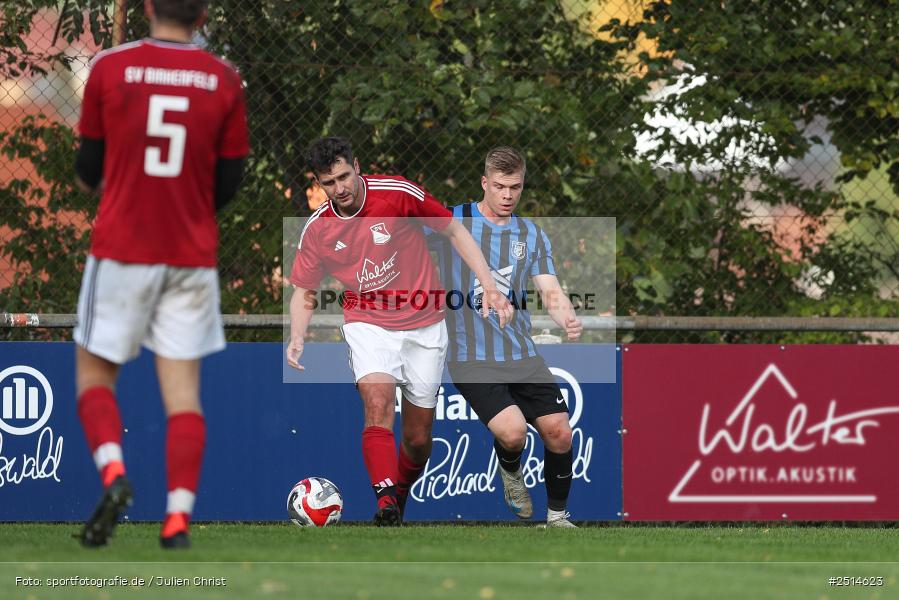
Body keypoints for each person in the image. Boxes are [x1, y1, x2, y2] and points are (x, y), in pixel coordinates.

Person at [72, 0, 249, 549]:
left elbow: (86, 172)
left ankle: (114, 473)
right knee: (184, 397)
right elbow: (227, 183)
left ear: (147, 6)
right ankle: (176, 519)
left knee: (95, 378)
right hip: (190, 255)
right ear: (202, 15)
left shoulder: (110, 67)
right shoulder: (223, 80)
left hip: (122, 248)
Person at [287, 137, 513, 525]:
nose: (339, 188)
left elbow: (455, 231)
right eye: (329, 182)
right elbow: (304, 291)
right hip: (368, 322)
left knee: (418, 439)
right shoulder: (318, 230)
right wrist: (296, 336)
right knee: (377, 403)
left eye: (344, 176)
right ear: (319, 183)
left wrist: (489, 285)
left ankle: (399, 494)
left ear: (357, 165)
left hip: (426, 324)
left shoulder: (397, 193)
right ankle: (385, 501)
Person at [432, 146, 582, 528]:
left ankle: (558, 518)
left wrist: (566, 315)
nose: (507, 195)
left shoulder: (531, 234)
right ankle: (511, 470)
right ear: (485, 183)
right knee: (513, 433)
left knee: (559, 432)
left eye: (514, 187)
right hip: (471, 356)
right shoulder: (453, 220)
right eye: (499, 186)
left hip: (521, 354)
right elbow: (405, 240)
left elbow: (549, 288)